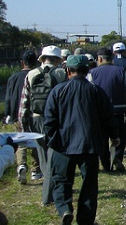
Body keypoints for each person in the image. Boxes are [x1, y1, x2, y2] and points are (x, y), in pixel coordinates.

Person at [45, 54, 118, 225]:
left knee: (61, 181)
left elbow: (49, 121)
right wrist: (114, 137)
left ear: (68, 70)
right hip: (90, 146)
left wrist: (53, 141)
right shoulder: (96, 91)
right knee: (89, 185)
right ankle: (85, 220)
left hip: (63, 146)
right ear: (87, 71)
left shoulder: (58, 91)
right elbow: (109, 117)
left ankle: (64, 210)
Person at [18, 45, 67, 185]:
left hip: (36, 118)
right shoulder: (61, 73)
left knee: (42, 153)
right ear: (58, 59)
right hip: (57, 118)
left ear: (42, 59)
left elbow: (24, 102)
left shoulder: (31, 74)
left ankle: (47, 181)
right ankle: (57, 182)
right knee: (56, 151)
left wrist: (24, 126)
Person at [89, 48, 126, 172]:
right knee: (120, 136)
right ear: (112, 59)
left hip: (100, 112)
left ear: (100, 59)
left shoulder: (92, 73)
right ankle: (117, 158)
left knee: (102, 138)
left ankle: (106, 164)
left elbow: (89, 91)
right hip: (118, 110)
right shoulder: (121, 71)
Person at [5, 50, 37, 126]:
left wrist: (7, 114)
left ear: (22, 62)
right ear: (36, 63)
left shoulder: (13, 77)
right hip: (32, 117)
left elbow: (8, 98)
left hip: (15, 117)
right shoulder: (37, 76)